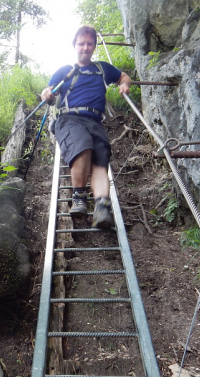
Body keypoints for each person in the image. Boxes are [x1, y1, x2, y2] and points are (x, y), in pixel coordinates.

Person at [41, 25, 131, 228]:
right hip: (69, 119)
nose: (85, 47)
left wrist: (124, 84)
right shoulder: (65, 71)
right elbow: (48, 91)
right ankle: (79, 197)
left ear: (94, 47)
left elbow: (123, 76)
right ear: (75, 45)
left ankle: (101, 207)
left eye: (89, 43)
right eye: (81, 43)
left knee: (101, 158)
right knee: (83, 145)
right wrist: (47, 94)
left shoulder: (102, 69)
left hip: (95, 121)